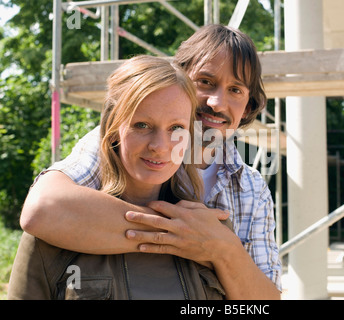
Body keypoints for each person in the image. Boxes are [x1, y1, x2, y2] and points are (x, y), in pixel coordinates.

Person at [19, 24, 282, 299]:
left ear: (248, 105)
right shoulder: (121, 142)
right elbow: (43, 209)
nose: (217, 102)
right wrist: (185, 237)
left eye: (236, 90)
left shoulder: (252, 189)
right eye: (205, 82)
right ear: (179, 80)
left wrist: (222, 248)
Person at [8, 55, 229, 300]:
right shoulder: (54, 231)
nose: (160, 145)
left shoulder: (211, 233)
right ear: (114, 131)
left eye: (176, 128)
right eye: (142, 125)